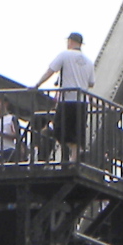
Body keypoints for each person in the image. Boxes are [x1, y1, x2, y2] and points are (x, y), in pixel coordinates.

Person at [36, 31, 95, 160]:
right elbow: (91, 83)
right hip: (82, 101)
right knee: (77, 133)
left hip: (67, 100)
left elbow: (50, 71)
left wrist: (37, 84)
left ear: (70, 41)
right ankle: (74, 159)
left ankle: (71, 154)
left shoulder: (65, 55)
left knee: (59, 130)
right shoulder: (89, 62)